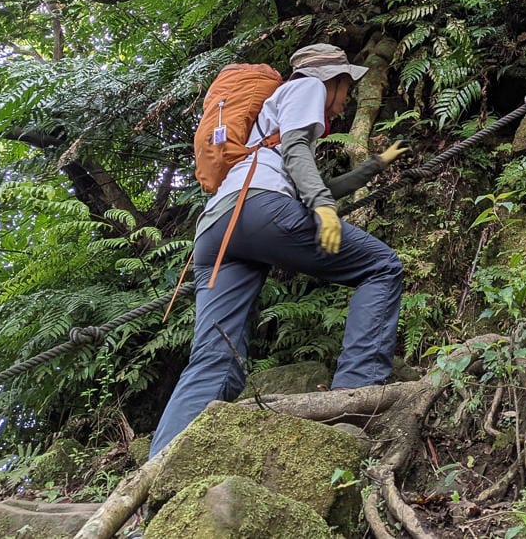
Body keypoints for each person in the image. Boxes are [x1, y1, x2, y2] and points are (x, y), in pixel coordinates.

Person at [150, 43, 407, 456]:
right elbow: (296, 153)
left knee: (216, 356)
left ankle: (163, 468)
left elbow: (299, 174)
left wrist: (371, 168)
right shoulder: (305, 88)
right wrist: (322, 207)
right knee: (381, 266)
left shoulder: (264, 126)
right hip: (260, 208)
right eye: (345, 89)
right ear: (331, 79)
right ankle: (354, 400)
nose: (345, 102)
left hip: (218, 228)